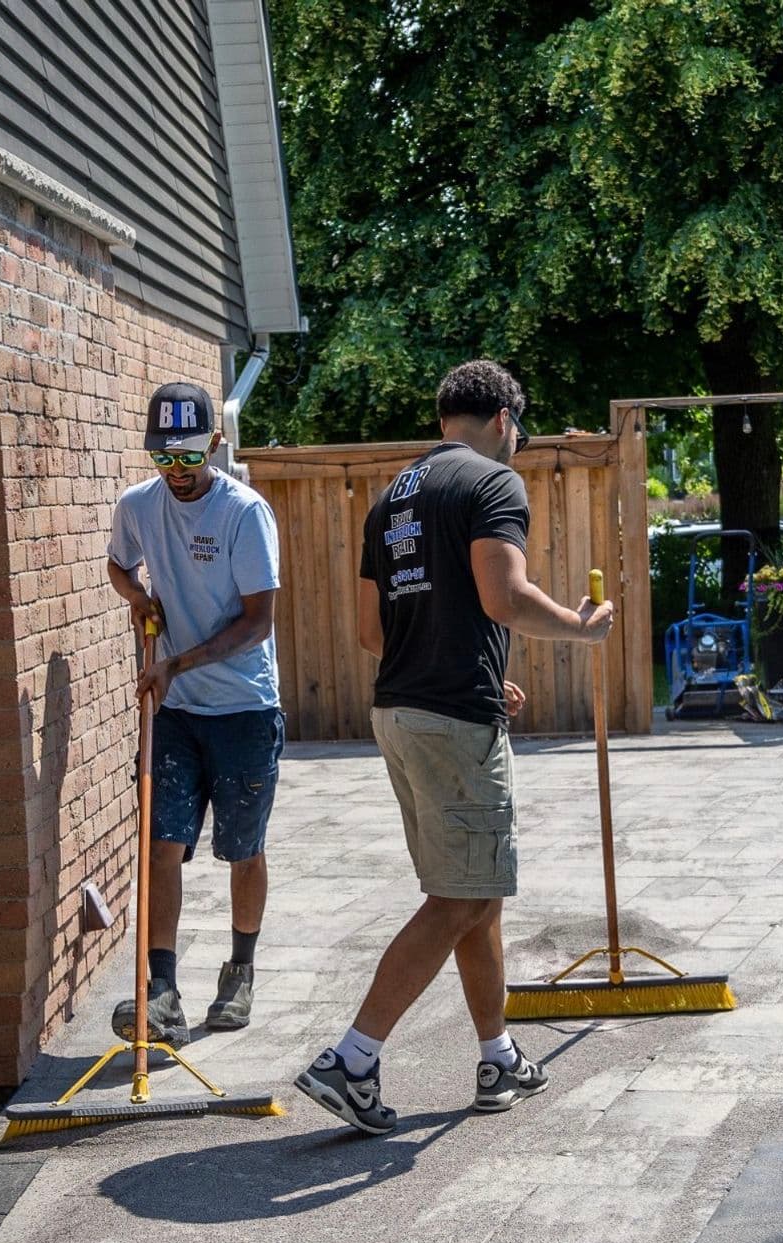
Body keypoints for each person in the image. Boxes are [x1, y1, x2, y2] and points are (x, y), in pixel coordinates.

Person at [295, 359, 613, 1134]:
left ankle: (496, 1051)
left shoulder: (391, 498)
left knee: (476, 887)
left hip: (401, 713)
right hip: (450, 719)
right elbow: (502, 596)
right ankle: (354, 1056)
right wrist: (579, 627)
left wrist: (474, 668)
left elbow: (373, 632)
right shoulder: (492, 484)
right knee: (462, 894)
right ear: (505, 417)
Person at [107, 382, 284, 1047]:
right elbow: (119, 565)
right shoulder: (139, 505)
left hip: (243, 707)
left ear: (215, 444)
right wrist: (139, 597)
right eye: (162, 458)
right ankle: (161, 991)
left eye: (186, 457)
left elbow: (258, 623)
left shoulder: (244, 513)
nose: (175, 472)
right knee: (163, 842)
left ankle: (240, 970)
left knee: (243, 849)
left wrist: (175, 663)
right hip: (176, 711)